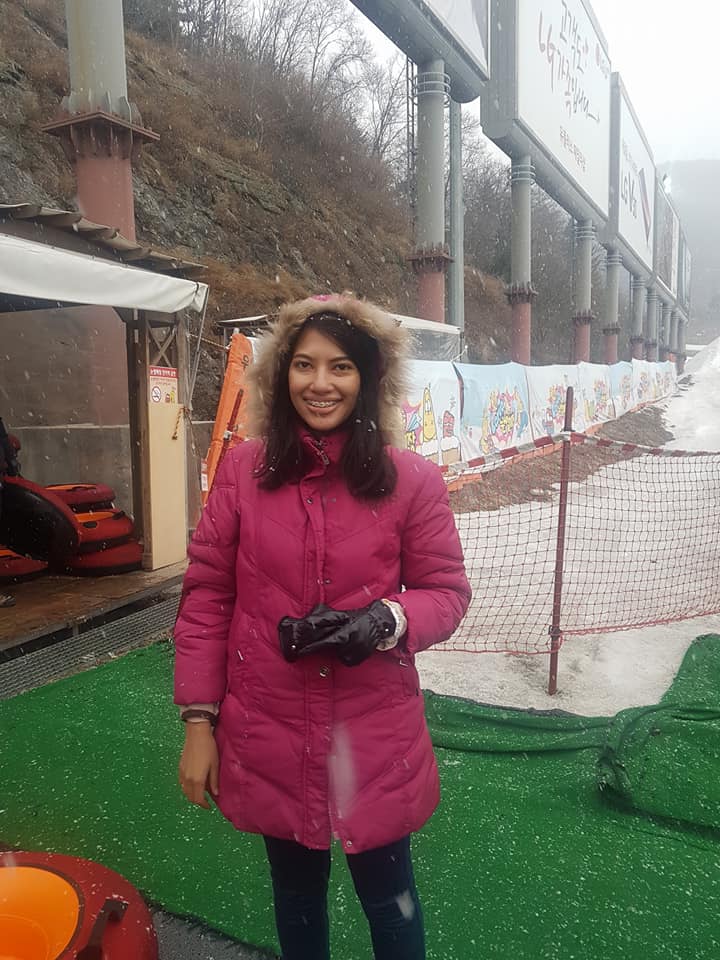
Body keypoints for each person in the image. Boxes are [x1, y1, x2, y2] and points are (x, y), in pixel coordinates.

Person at [173, 293, 471, 960]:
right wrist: (199, 721)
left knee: (390, 903)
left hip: (373, 732)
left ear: (368, 377)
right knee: (298, 899)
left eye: (340, 367)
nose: (320, 383)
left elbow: (445, 593)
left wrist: (385, 620)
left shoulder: (411, 481)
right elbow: (207, 597)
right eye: (303, 364)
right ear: (281, 376)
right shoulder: (244, 472)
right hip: (270, 728)